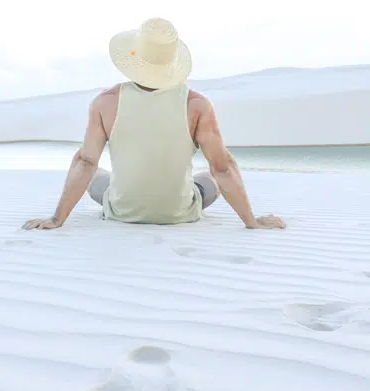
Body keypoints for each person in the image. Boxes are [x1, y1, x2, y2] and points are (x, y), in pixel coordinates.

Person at [22, 17, 286, 231]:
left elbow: (85, 162)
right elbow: (222, 167)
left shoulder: (104, 102)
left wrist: (56, 220)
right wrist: (252, 221)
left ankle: (121, 197)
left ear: (132, 57)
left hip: (122, 212)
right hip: (179, 213)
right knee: (210, 177)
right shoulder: (197, 105)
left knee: (95, 171)